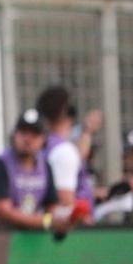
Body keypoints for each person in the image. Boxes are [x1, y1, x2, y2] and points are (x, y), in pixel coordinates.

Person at [0, 108, 72, 233]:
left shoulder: (45, 167)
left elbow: (52, 208)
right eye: (23, 132)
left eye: (34, 133)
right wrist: (46, 221)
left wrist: (65, 217)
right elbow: (4, 213)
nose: (28, 139)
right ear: (14, 134)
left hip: (22, 240)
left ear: (43, 139)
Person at [36, 86, 96, 219]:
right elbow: (64, 201)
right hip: (72, 232)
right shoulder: (64, 151)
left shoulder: (44, 145)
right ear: (65, 111)